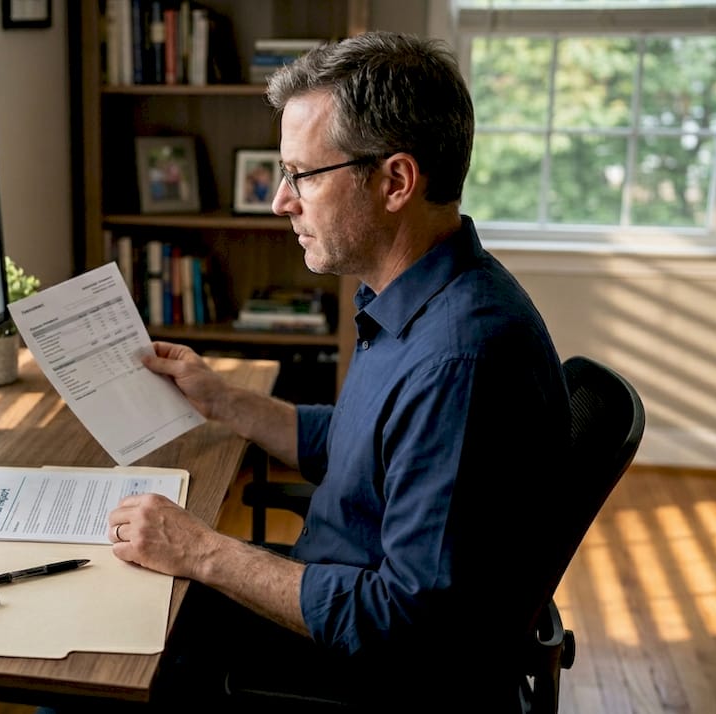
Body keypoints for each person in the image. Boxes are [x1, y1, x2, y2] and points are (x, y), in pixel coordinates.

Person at [106, 32, 571, 711]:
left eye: (303, 175)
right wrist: (224, 399)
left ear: (396, 182)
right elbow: (356, 444)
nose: (280, 201)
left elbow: (405, 621)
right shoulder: (414, 294)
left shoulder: (460, 362)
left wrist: (203, 551)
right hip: (333, 599)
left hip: (358, 670)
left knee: (103, 664)